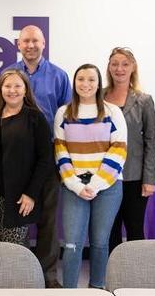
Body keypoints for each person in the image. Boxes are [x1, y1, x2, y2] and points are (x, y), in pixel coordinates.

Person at [6, 24, 70, 288]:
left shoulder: (59, 76)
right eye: (25, 41)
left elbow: (68, 118)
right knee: (17, 218)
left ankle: (48, 276)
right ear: (18, 45)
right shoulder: (9, 74)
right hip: (17, 160)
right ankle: (20, 273)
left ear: (44, 44)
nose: (30, 45)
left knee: (48, 220)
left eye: (35, 41)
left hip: (50, 158)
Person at [55, 64, 127, 289]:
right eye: (81, 79)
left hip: (108, 186)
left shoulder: (113, 112)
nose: (85, 84)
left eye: (91, 80)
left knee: (99, 243)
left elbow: (119, 149)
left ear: (99, 84)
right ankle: (69, 291)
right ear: (74, 83)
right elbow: (60, 150)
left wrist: (95, 184)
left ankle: (97, 288)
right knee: (72, 244)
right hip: (73, 186)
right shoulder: (64, 113)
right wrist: (76, 185)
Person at [0, 69, 52, 246]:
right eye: (7, 86)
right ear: (0, 89)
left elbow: (45, 159)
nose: (12, 90)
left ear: (26, 89)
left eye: (18, 85)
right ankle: (1, 275)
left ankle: (19, 275)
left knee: (15, 249)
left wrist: (31, 194)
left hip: (19, 196)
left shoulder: (35, 118)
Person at [104, 47, 155, 251]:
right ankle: (110, 275)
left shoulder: (143, 100)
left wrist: (149, 179)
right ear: (109, 68)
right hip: (105, 176)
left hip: (134, 177)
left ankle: (136, 276)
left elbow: (152, 141)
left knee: (135, 229)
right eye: (115, 64)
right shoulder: (99, 96)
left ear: (133, 67)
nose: (119, 69)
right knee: (109, 230)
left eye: (125, 64)